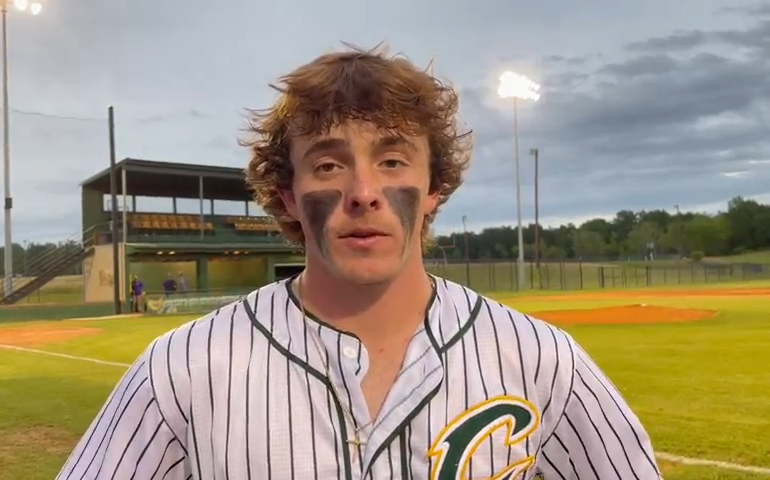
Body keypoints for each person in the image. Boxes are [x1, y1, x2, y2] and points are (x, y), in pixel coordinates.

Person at [57, 45, 662, 480]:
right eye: (327, 164)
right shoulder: (183, 369)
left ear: (434, 189)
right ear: (289, 195)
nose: (363, 190)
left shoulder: (542, 360)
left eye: (394, 161)